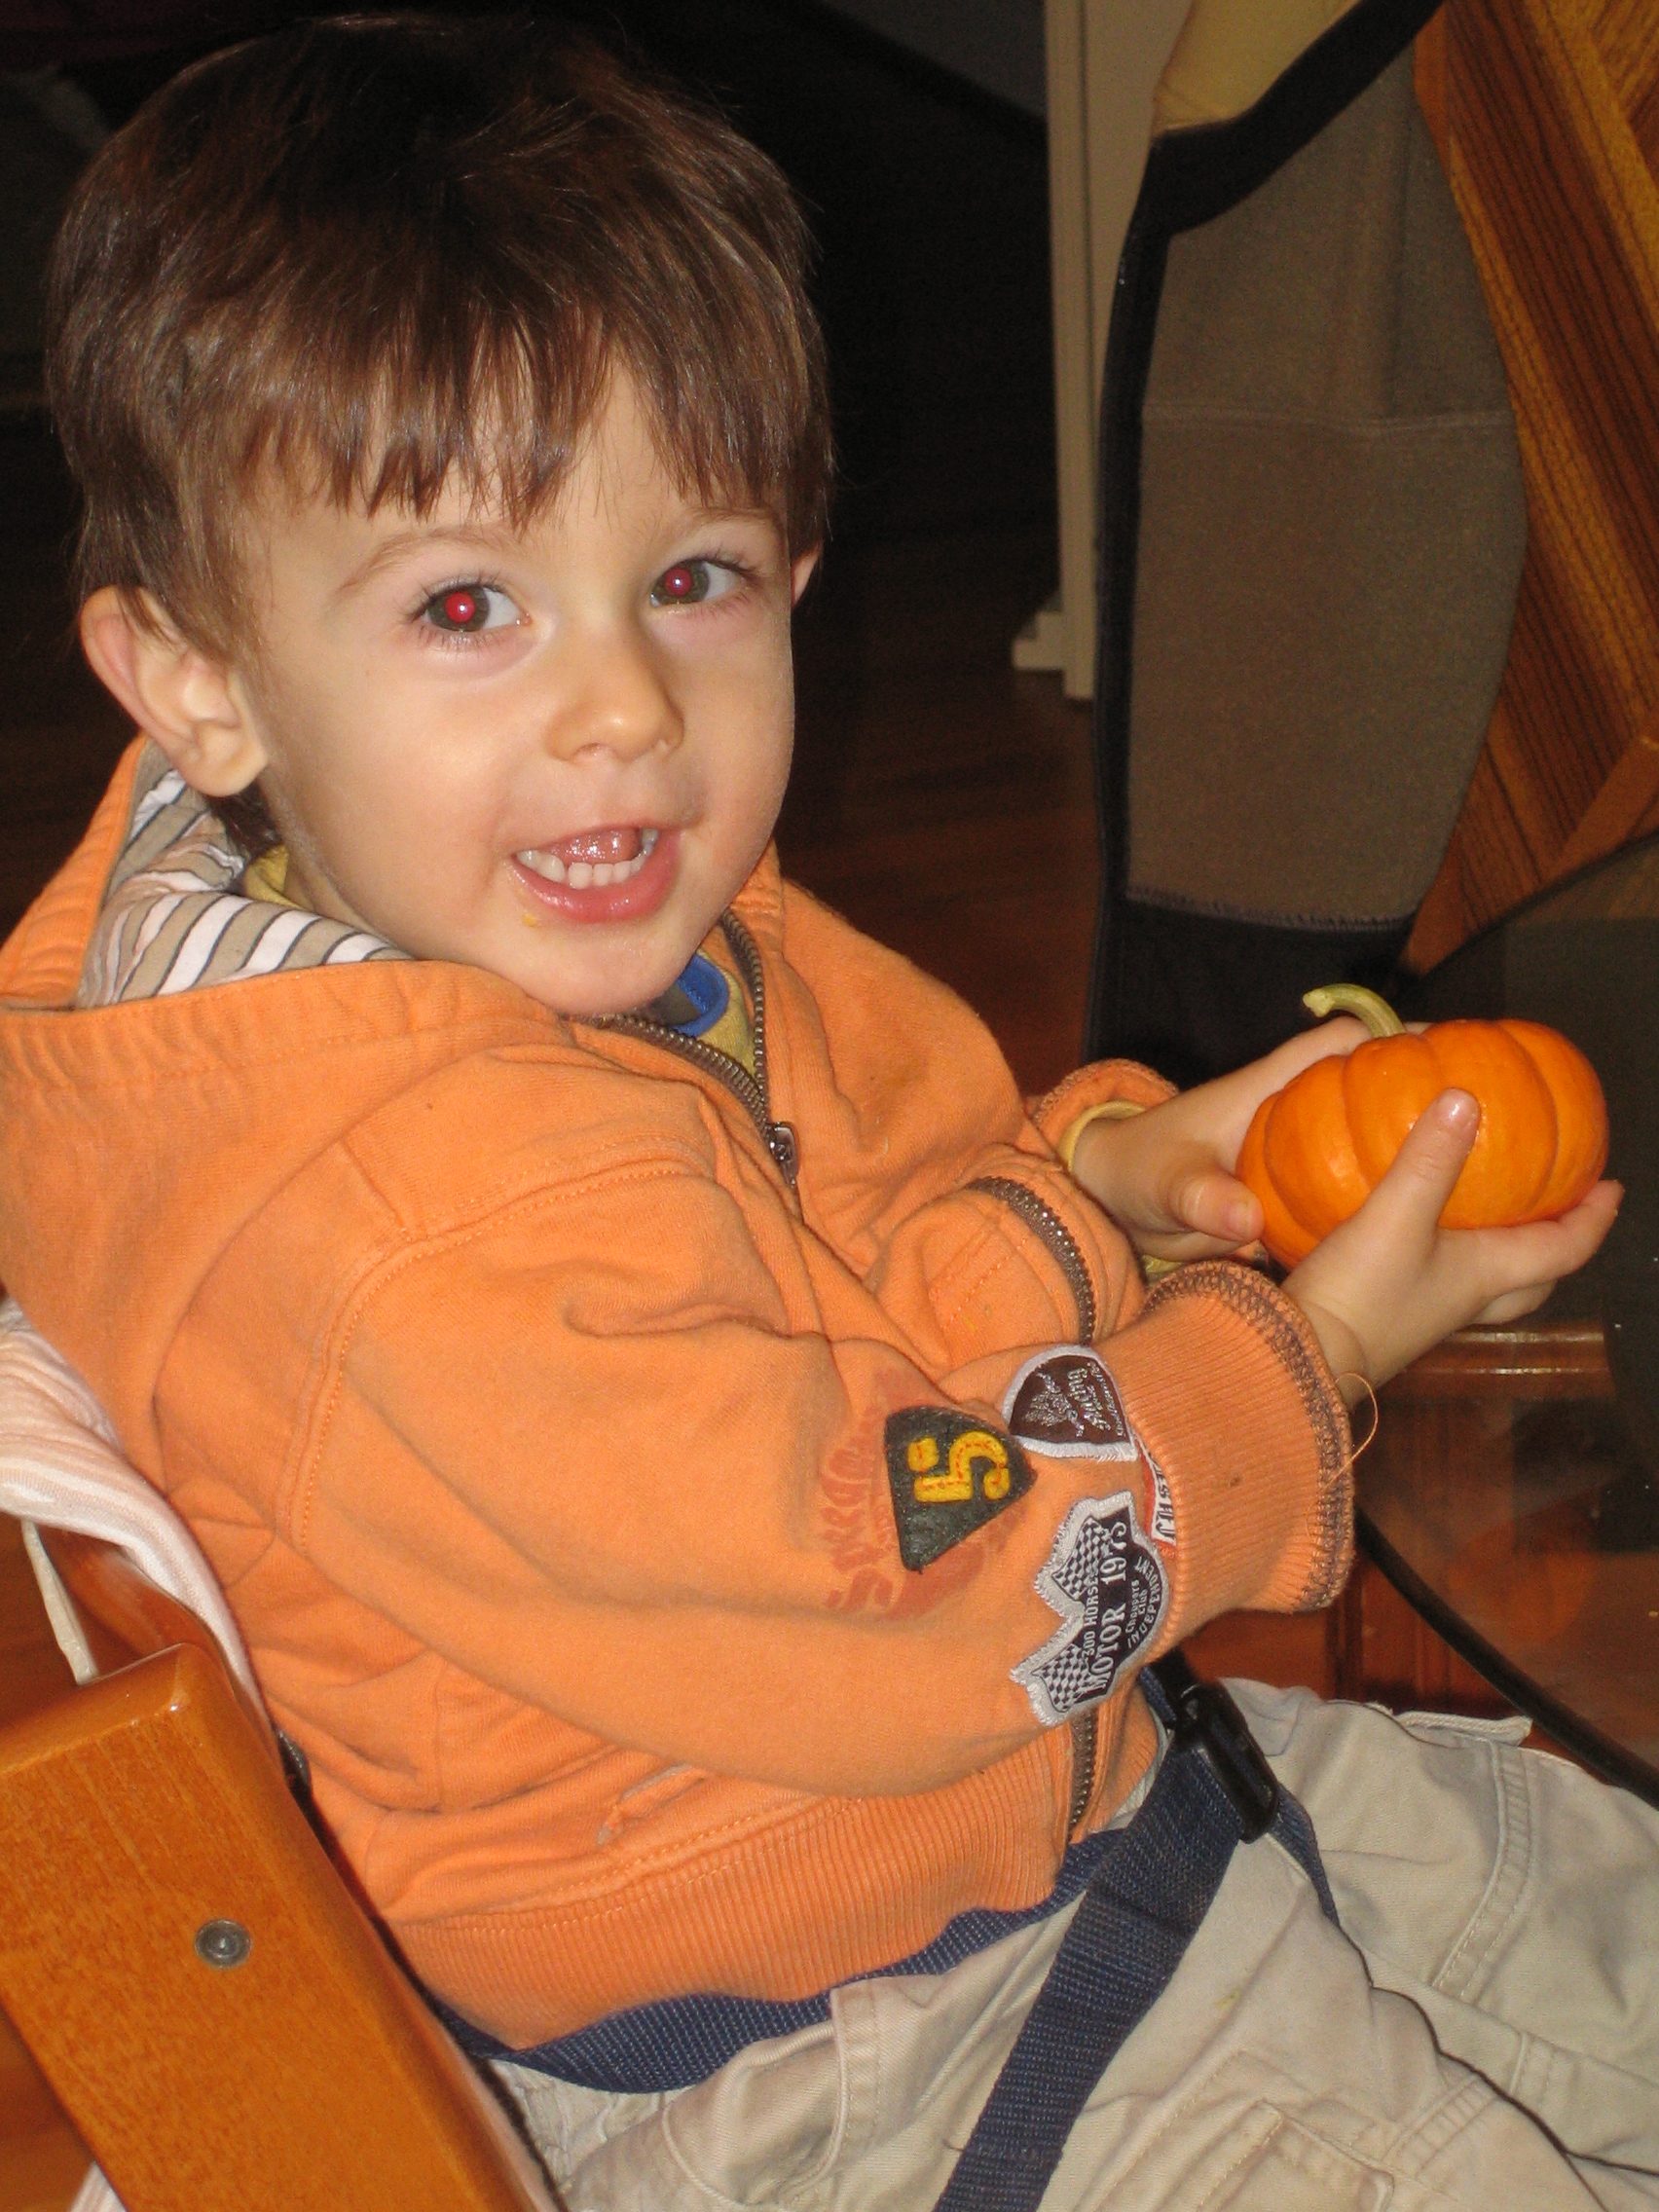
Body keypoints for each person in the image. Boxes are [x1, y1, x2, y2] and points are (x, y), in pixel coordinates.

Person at [0, 16, 1648, 2207]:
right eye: (467, 606)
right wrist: (1307, 1364)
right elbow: (900, 1594)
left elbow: (859, 1259)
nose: (623, 706)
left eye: (690, 578)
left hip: (1020, 1791)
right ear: (199, 678)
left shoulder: (571, 922)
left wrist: (1101, 1178)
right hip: (841, 2041)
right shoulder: (399, 1229)